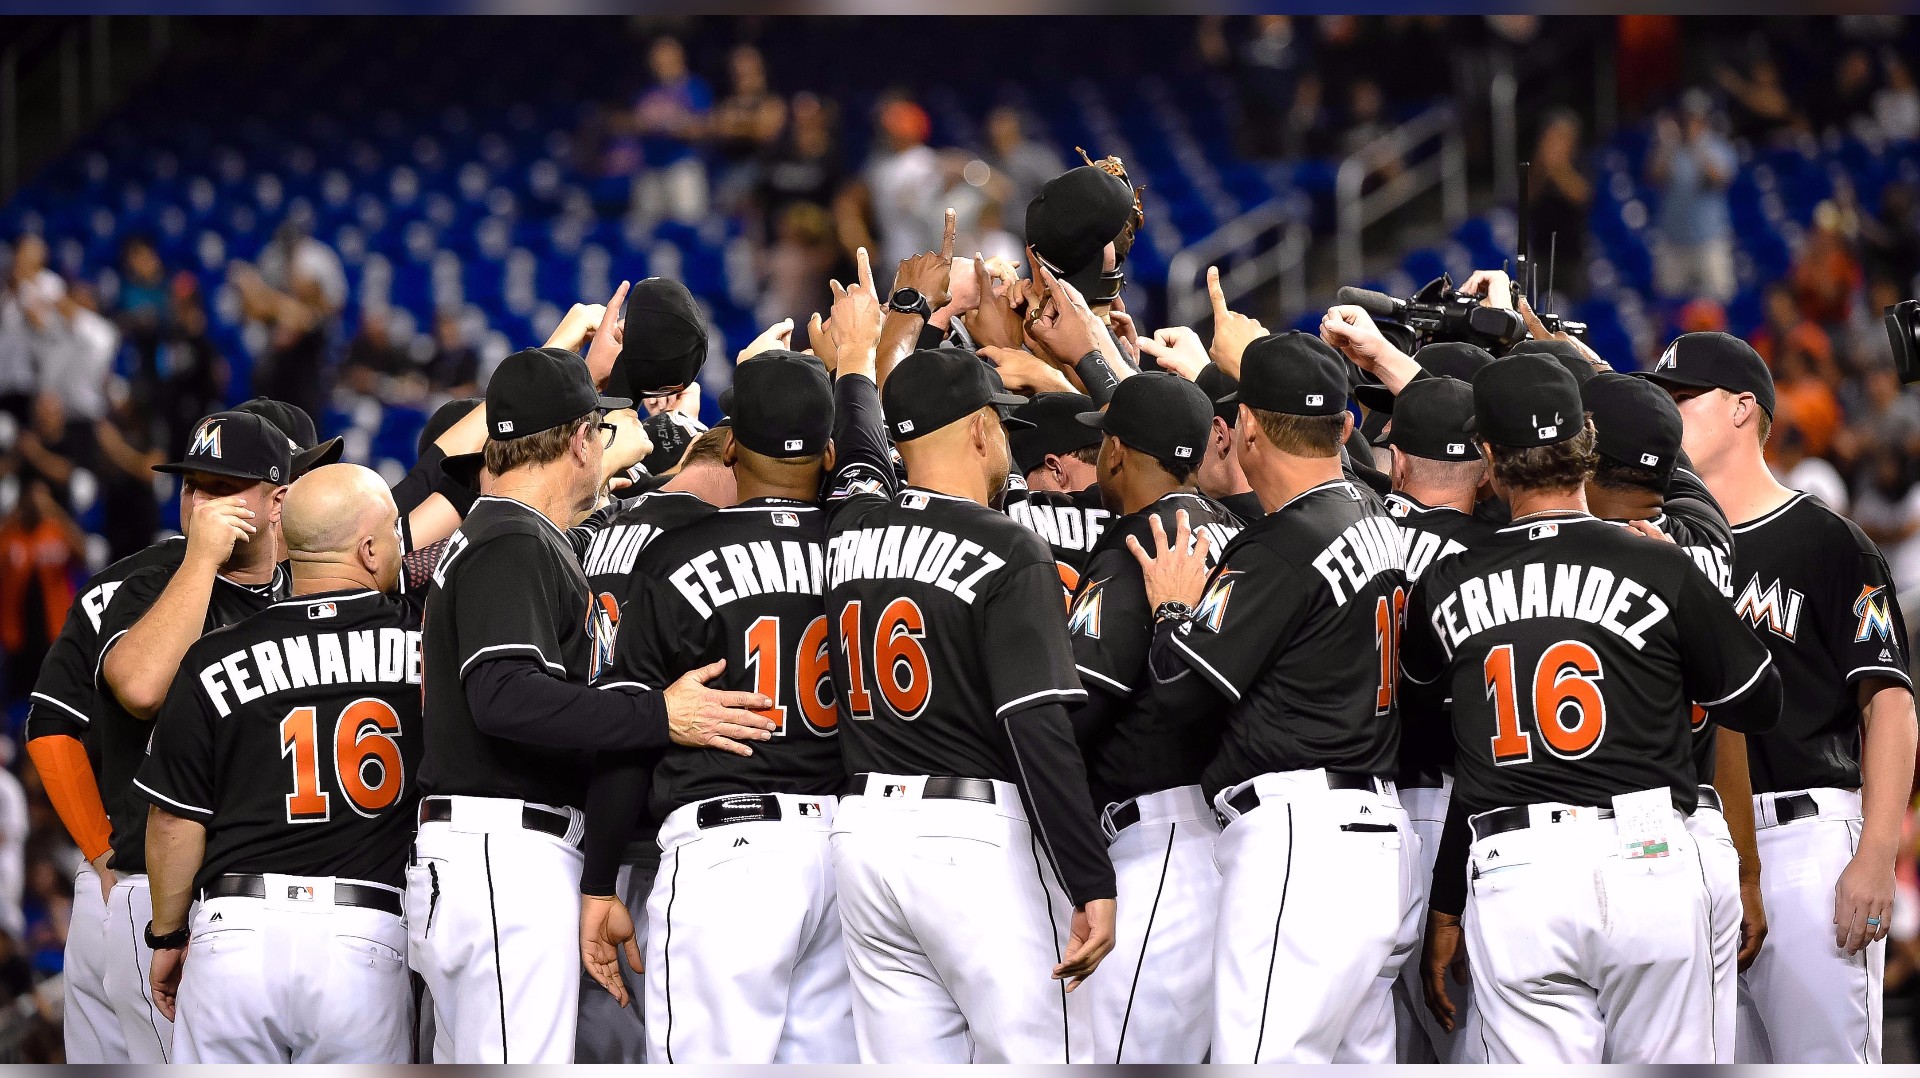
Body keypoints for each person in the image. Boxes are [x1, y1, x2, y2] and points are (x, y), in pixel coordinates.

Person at [1402, 353, 1782, 1063]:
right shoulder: (1659, 561)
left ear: (1488, 457)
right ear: (1586, 445)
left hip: (1517, 865)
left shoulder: (1448, 581)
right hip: (1648, 851)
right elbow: (1758, 701)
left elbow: (1431, 714)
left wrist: (1447, 897)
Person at [408, 346, 773, 1063]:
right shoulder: (511, 539)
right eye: (598, 432)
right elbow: (503, 697)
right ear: (580, 440)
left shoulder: (497, 532)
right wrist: (658, 715)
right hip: (501, 854)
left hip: (480, 851)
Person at [580, 295, 889, 1061]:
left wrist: (598, 886)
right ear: (823, 453)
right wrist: (861, 366)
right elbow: (870, 467)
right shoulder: (865, 545)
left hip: (731, 851)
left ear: (733, 450)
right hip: (844, 849)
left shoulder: (673, 558)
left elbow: (631, 734)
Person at [823, 330, 1115, 1061]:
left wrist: (857, 364)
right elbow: (1035, 726)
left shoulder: (850, 526)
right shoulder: (1006, 545)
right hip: (967, 842)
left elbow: (860, 459)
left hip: (861, 835)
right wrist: (1088, 876)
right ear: (984, 429)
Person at [1131, 331, 1415, 1063]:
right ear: (1348, 427)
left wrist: (1170, 609)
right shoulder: (1373, 509)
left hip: (1303, 840)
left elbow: (1178, 689)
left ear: (1247, 427)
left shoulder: (1282, 545)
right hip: (1380, 838)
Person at [1644, 331, 1920, 1062]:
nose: (1665, 416)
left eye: (1682, 399)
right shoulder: (1656, 542)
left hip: (1803, 842)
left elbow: (1888, 703)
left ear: (1743, 409)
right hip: (1695, 847)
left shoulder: (1831, 542)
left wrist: (1877, 852)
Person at [136, 464, 423, 1063]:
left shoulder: (214, 656)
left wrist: (167, 933)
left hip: (234, 934)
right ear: (369, 551)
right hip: (363, 936)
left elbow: (173, 819)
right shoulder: (425, 648)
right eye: (395, 533)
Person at [93, 410, 295, 1063]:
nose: (202, 503)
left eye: (224, 487)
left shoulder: (312, 585)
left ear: (277, 501)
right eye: (193, 486)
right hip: (167, 903)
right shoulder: (154, 580)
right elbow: (141, 686)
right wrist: (203, 559)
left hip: (282, 897)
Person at [1581, 371, 1762, 1060]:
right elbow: (1742, 717)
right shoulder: (1708, 536)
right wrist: (1747, 868)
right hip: (1692, 826)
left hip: (1595, 834)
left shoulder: (1568, 548)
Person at [1060, 372, 1240, 1062]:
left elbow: (1080, 706)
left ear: (1116, 453)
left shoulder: (1141, 543)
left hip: (1161, 842)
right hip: (1224, 829)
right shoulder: (1235, 531)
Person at [1362, 375, 1496, 1064]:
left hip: (1358, 815)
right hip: (1460, 816)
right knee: (1467, 1038)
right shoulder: (1499, 552)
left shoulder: (1355, 531)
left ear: (1402, 461)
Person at [1648, 90, 1738, 302]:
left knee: (1718, 304)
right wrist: (1668, 146)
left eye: (1696, 117)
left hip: (1710, 240)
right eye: (1687, 116)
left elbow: (1720, 178)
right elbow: (1654, 176)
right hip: (1674, 242)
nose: (1691, 122)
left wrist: (1697, 148)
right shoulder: (1670, 148)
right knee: (1669, 305)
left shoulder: (1717, 146)